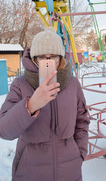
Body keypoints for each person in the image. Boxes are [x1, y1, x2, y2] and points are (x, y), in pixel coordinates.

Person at [0, 27, 90, 181]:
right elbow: (4, 130)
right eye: (42, 57)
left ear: (60, 58)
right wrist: (31, 105)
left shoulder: (72, 83)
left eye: (53, 56)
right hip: (29, 172)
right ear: (34, 58)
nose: (48, 61)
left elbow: (82, 121)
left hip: (69, 171)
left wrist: (79, 153)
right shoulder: (20, 84)